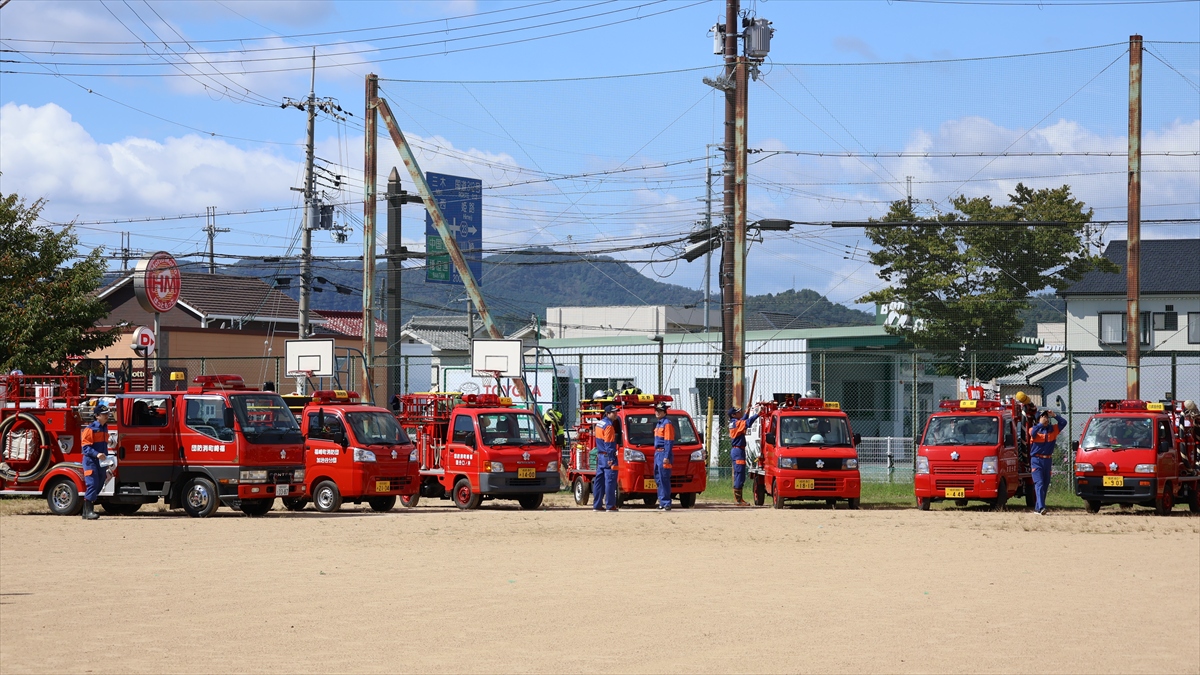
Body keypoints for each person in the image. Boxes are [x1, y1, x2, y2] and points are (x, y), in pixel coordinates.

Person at [1028, 408, 1068, 515]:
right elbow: (1033, 433)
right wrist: (1040, 424)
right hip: (1036, 460)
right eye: (1043, 416)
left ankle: (1038, 509)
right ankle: (1042, 508)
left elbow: (1064, 423)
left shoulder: (1053, 429)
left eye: (1046, 416)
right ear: (1038, 419)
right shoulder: (1033, 429)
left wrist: (1054, 415)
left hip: (1047, 460)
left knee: (1045, 485)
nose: (1046, 418)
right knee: (1039, 483)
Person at [80, 405, 111, 520]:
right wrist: (97, 454)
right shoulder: (90, 429)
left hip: (101, 462)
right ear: (97, 416)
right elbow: (85, 447)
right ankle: (88, 511)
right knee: (92, 484)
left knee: (99, 484)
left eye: (107, 413)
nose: (107, 416)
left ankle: (86, 511)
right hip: (91, 461)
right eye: (104, 414)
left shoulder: (104, 428)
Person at [728, 405, 760, 506]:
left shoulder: (734, 423)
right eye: (738, 412)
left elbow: (743, 420)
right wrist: (758, 414)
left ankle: (739, 499)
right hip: (738, 451)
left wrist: (747, 411)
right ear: (733, 415)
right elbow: (747, 422)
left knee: (739, 474)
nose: (739, 413)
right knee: (739, 475)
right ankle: (738, 500)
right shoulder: (737, 423)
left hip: (737, 451)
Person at [592, 405, 619, 512]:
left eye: (616, 412)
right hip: (608, 456)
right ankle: (610, 505)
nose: (616, 414)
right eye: (613, 412)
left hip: (600, 455)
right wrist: (611, 458)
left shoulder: (599, 424)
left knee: (599, 481)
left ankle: (597, 505)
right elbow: (609, 443)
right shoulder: (609, 426)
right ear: (607, 414)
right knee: (610, 481)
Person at [653, 401, 676, 511]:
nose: (657, 412)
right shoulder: (659, 424)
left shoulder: (667, 424)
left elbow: (668, 441)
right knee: (658, 478)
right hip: (657, 453)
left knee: (664, 478)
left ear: (665, 412)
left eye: (660, 411)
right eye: (656, 410)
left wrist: (666, 456)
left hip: (663, 453)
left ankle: (666, 503)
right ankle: (662, 502)